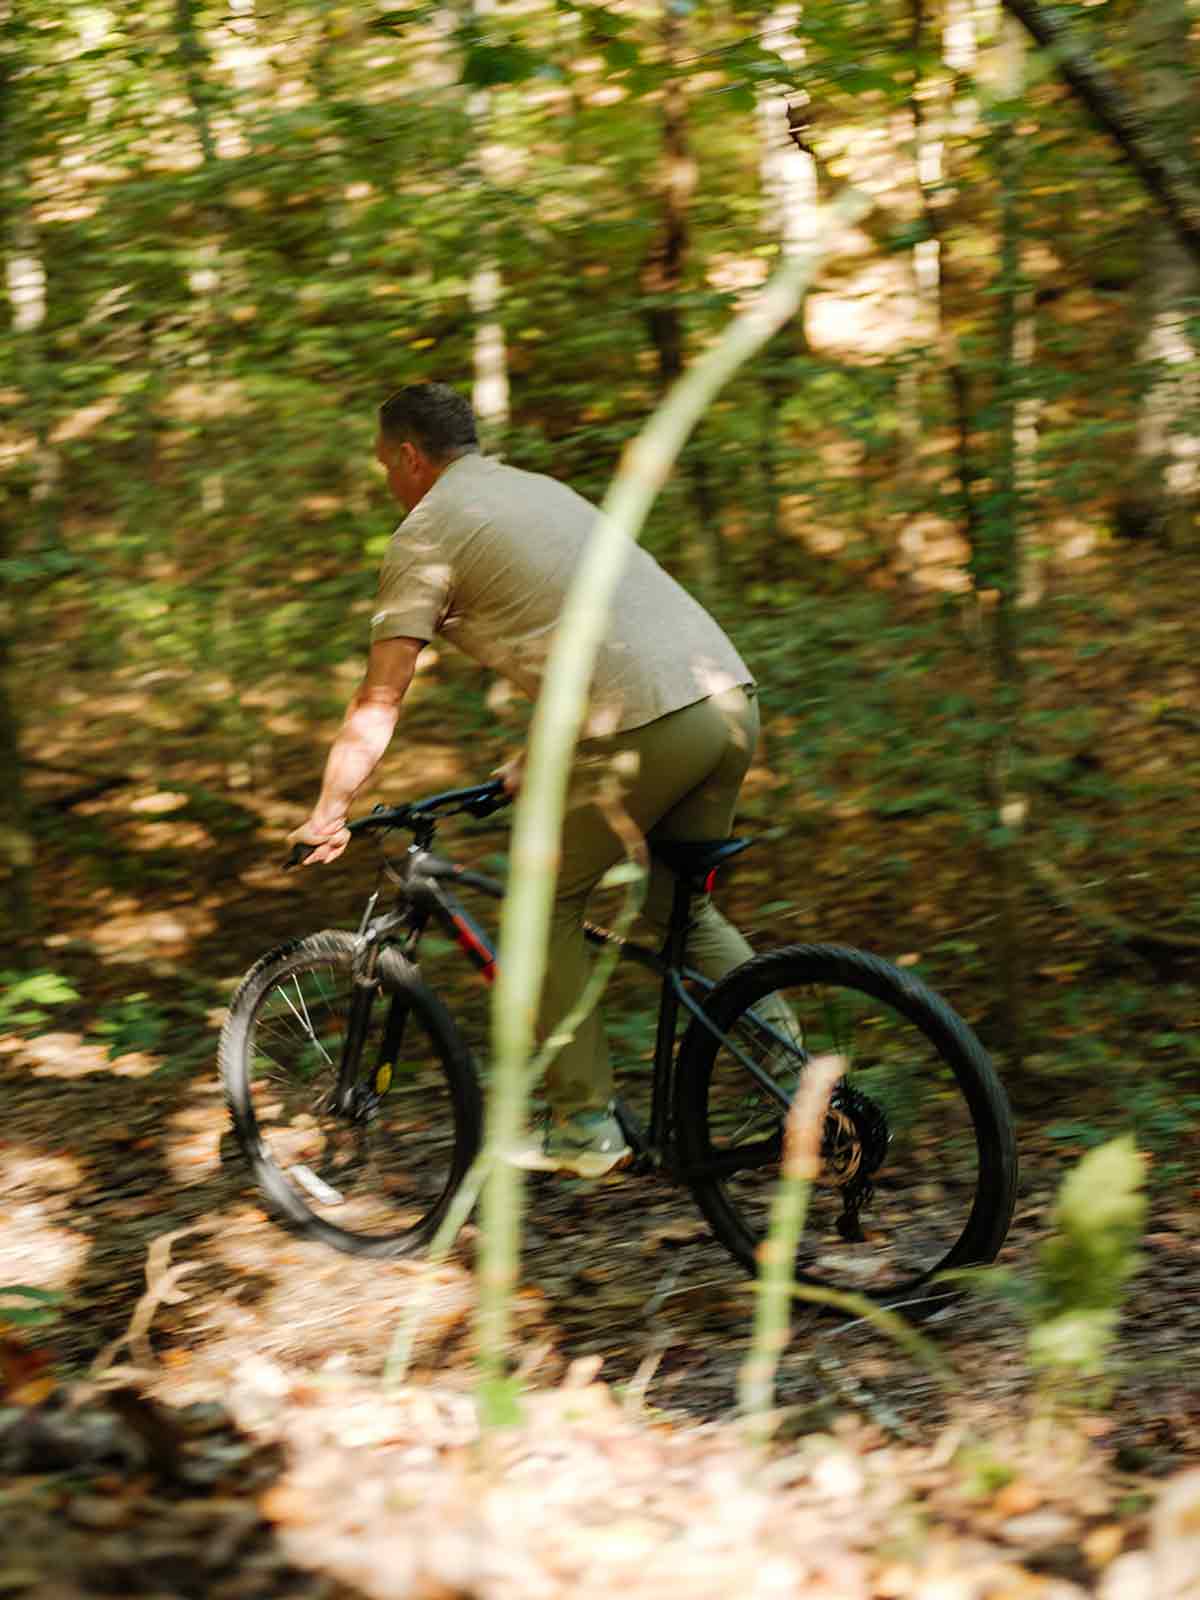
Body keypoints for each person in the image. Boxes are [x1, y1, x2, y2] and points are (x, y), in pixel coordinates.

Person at [289, 381, 765, 1178]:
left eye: (384, 466)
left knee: (544, 906)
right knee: (675, 910)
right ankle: (802, 1083)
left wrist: (329, 809)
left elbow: (380, 697)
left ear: (410, 456)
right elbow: (594, 625)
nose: (385, 483)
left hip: (645, 722)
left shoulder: (427, 533)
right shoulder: (537, 491)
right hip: (727, 703)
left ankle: (585, 1127)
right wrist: (535, 755)